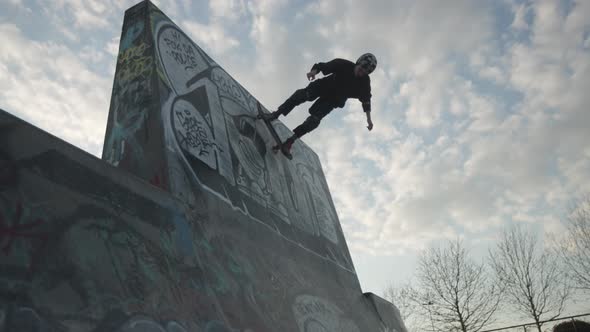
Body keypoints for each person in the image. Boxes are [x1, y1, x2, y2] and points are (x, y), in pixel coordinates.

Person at [259, 53, 377, 156]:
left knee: (314, 121)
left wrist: (369, 120)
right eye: (361, 69)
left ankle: (290, 142)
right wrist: (313, 72)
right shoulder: (344, 64)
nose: (361, 73)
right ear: (358, 63)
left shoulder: (365, 83)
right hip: (323, 86)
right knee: (300, 95)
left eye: (364, 72)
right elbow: (322, 66)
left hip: (332, 100)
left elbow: (366, 101)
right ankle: (275, 115)